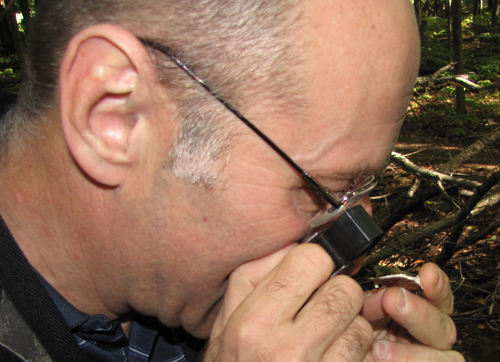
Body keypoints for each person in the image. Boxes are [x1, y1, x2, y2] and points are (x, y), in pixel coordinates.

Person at [0, 0, 464, 361]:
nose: (355, 247)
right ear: (114, 116)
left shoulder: (183, 292)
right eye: (327, 192)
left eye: (365, 192)